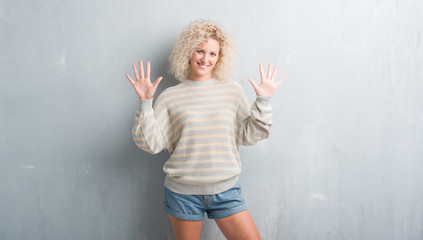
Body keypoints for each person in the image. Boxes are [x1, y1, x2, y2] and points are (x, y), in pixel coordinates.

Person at [126, 19, 284, 240]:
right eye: (200, 51)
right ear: (188, 52)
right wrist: (145, 103)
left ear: (220, 58)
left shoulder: (231, 90)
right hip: (182, 193)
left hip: (226, 190)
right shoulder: (170, 96)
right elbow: (151, 143)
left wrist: (263, 101)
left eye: (213, 54)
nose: (205, 59)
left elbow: (250, 135)